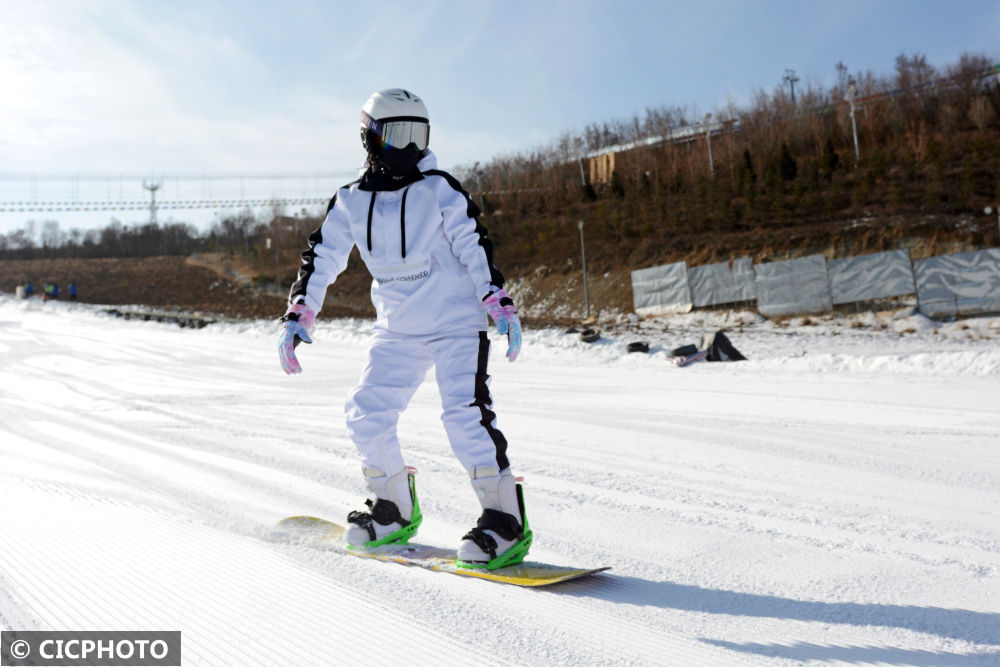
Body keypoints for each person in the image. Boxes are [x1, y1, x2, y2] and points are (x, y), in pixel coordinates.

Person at [277, 89, 530, 569]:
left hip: (457, 322)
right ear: (371, 138)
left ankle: (504, 521)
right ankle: (393, 509)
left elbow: (474, 242)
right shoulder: (351, 200)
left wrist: (494, 296)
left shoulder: (439, 188)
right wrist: (300, 312)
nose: (411, 148)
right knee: (365, 412)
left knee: (464, 416)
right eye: (398, 135)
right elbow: (322, 257)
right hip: (398, 329)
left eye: (420, 135)